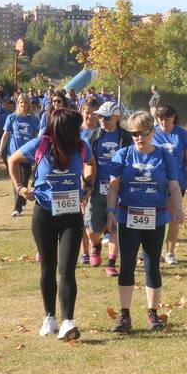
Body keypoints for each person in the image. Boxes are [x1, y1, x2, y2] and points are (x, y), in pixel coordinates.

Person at [8, 108, 94, 341]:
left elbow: (91, 164)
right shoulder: (40, 145)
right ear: (63, 129)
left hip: (71, 216)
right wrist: (20, 188)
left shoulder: (81, 146)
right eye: (76, 127)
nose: (80, 130)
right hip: (44, 214)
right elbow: (13, 160)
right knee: (48, 266)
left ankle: (68, 321)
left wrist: (87, 187)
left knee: (67, 268)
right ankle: (50, 317)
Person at [105, 111, 185, 333]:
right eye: (134, 133)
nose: (139, 137)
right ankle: (125, 315)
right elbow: (113, 186)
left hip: (156, 218)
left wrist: (178, 208)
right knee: (127, 265)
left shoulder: (164, 156)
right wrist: (110, 211)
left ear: (152, 131)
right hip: (128, 217)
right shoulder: (122, 155)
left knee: (152, 266)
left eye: (144, 132)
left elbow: (173, 186)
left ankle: (152, 314)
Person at [85, 103, 131, 274]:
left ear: (117, 118)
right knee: (93, 228)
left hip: (119, 189)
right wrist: (87, 184)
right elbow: (86, 162)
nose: (102, 120)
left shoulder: (126, 137)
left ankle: (111, 264)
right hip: (97, 188)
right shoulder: (93, 136)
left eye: (106, 117)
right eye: (100, 116)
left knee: (115, 226)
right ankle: (95, 246)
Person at [152, 104, 187, 267]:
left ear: (173, 117)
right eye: (160, 119)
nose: (163, 122)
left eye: (167, 118)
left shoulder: (181, 134)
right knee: (155, 218)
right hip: (155, 182)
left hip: (177, 182)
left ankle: (170, 252)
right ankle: (153, 251)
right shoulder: (152, 133)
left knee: (173, 217)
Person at [0, 95, 40, 216]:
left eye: (26, 103)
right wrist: (0, 151)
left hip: (27, 155)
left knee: (24, 181)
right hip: (13, 155)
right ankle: (18, 207)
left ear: (29, 105)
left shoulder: (34, 120)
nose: (24, 105)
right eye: (21, 102)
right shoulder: (12, 118)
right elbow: (5, 135)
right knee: (16, 181)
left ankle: (21, 202)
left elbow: (38, 137)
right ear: (18, 104)